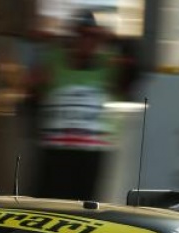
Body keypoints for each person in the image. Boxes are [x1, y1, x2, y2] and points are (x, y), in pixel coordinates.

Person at [30, 9, 122, 201]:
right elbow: (31, 84)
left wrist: (111, 39)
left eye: (91, 36)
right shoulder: (54, 60)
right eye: (80, 35)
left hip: (90, 156)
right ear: (72, 37)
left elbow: (130, 63)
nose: (86, 41)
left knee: (84, 209)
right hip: (56, 154)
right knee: (49, 206)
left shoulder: (108, 64)